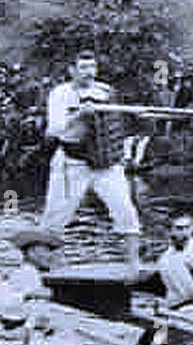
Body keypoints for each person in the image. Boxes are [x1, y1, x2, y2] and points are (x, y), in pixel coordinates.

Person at [42, 51, 141, 277]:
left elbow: (118, 126)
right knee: (56, 216)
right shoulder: (61, 94)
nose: (89, 73)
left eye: (92, 67)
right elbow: (53, 130)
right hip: (72, 162)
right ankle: (51, 266)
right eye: (84, 67)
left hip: (106, 165)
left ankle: (134, 265)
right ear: (72, 70)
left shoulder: (106, 91)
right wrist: (79, 115)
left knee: (126, 211)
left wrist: (137, 116)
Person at [154, 216, 193, 308]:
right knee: (160, 322)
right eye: (179, 228)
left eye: (187, 228)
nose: (184, 232)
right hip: (179, 305)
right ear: (170, 232)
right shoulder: (165, 259)